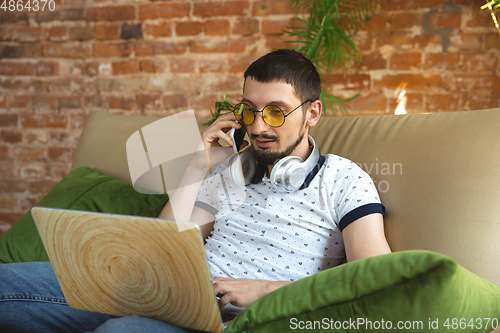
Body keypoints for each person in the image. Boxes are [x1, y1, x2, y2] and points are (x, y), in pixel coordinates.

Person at [0, 49, 391, 333]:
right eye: (248, 111)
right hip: (167, 293)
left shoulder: (344, 179)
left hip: (237, 321)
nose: (257, 128)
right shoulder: (231, 171)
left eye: (275, 111)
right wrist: (198, 164)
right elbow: (163, 245)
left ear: (313, 113)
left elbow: (376, 286)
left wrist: (267, 290)